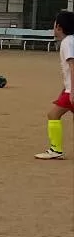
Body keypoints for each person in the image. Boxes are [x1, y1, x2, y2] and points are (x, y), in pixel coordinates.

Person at [35, 9, 74, 160]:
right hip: (69, 88)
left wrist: (71, 91)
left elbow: (72, 66)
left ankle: (56, 150)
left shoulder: (67, 43)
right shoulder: (71, 40)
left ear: (59, 27)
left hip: (71, 89)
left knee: (53, 114)